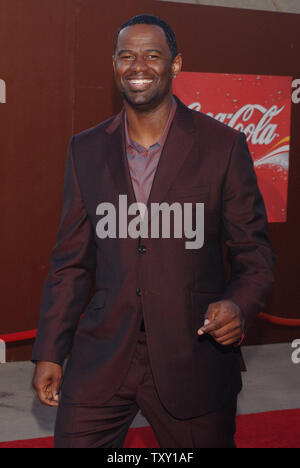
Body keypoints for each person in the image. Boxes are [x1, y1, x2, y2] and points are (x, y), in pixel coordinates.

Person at [32, 14, 274, 448]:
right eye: (126, 56)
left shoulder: (223, 146)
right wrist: (51, 348)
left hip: (193, 358)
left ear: (176, 65)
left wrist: (238, 306)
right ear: (114, 66)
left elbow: (254, 257)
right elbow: (70, 262)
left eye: (152, 55)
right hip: (103, 355)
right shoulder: (84, 149)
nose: (138, 66)